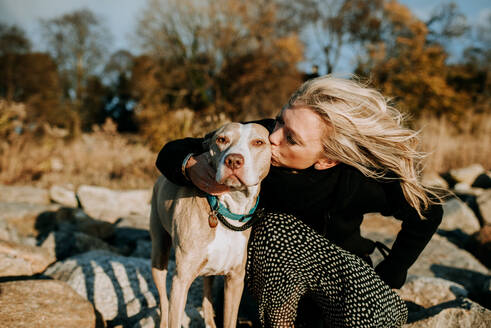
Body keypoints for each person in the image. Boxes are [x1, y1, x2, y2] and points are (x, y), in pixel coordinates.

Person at [155, 75, 443, 326]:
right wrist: (190, 165)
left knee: (373, 315)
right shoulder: (259, 144)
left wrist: (392, 272)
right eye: (280, 119)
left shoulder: (357, 180)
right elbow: (177, 149)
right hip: (272, 283)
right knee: (274, 229)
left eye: (292, 138)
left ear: (327, 159)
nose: (274, 137)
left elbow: (428, 211)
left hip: (337, 276)